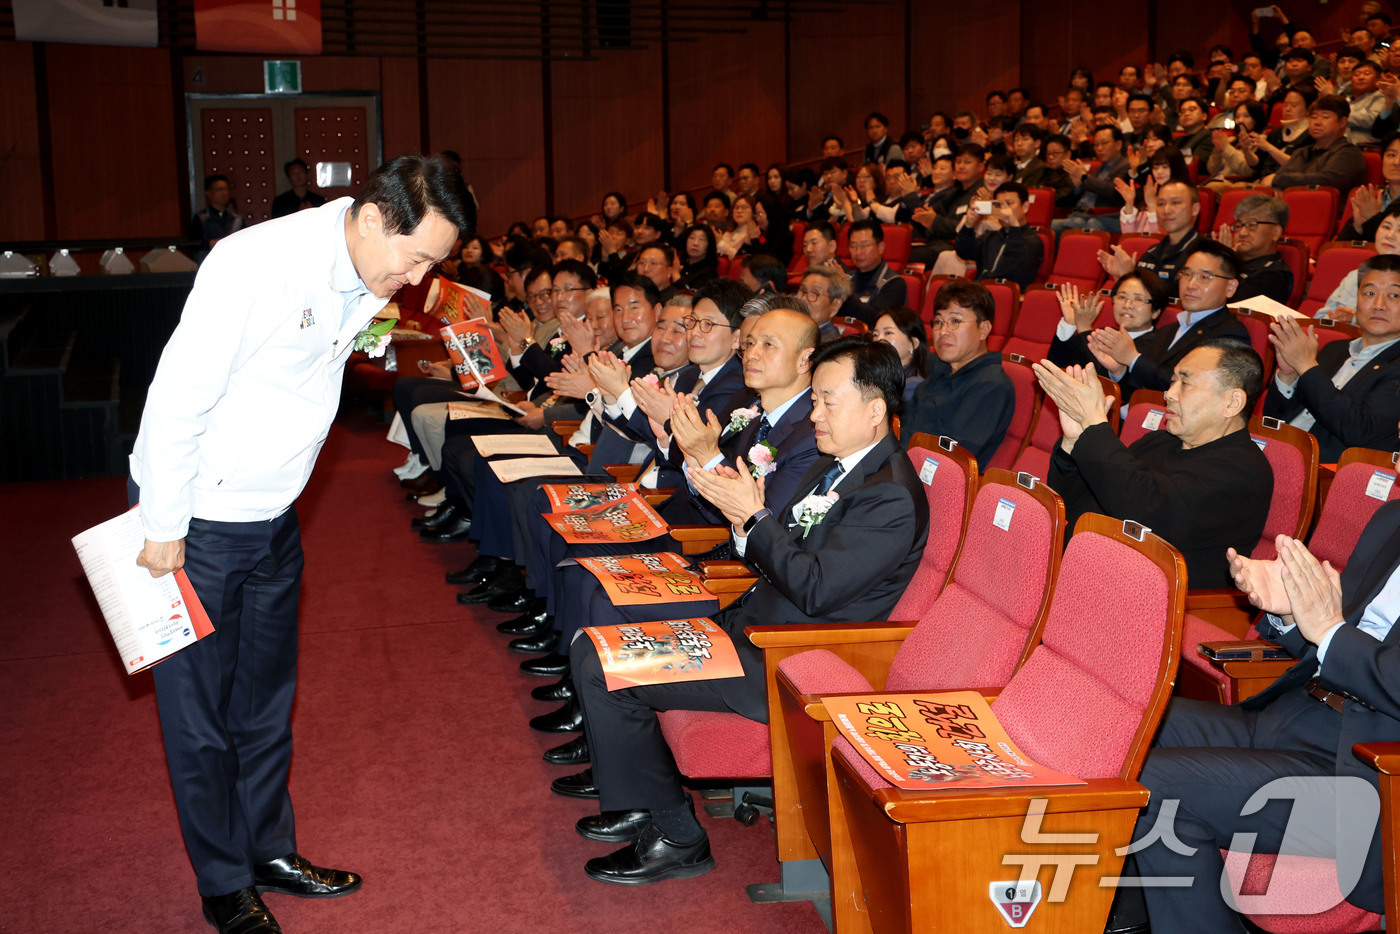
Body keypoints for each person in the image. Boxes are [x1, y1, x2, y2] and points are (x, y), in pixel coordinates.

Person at [130, 153, 472, 933]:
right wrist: (162, 527)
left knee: (263, 703)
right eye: (416, 258)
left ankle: (269, 850)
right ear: (373, 218)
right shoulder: (254, 264)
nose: (418, 279)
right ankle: (224, 884)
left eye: (432, 264)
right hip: (198, 522)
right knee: (199, 717)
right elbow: (178, 395)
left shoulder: (366, 268)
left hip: (277, 514)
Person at [559, 338, 929, 885]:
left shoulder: (889, 495)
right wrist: (744, 522)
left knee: (602, 666)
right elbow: (779, 552)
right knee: (600, 642)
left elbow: (817, 590)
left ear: (875, 410)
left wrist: (754, 521)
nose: (815, 415)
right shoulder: (836, 466)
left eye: (828, 402)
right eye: (814, 401)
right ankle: (642, 803)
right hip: (750, 627)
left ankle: (677, 835)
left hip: (786, 660)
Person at [1126, 500, 1400, 932]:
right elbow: (1338, 642)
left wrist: (1329, 629)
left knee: (1155, 786)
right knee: (1123, 725)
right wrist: (1291, 613)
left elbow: (1339, 638)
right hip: (1297, 713)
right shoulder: (1392, 519)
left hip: (1369, 771)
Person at [1035, 338, 1273, 588]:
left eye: (1185, 383)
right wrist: (1074, 440)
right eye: (1172, 382)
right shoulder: (1159, 441)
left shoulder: (1243, 470)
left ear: (1232, 403)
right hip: (1091, 570)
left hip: (1152, 599)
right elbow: (1075, 502)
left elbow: (1146, 515)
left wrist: (1094, 426)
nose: (1168, 394)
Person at [1265, 254, 1400, 461]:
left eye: (1394, 295)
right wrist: (1288, 375)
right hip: (1275, 451)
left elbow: (1359, 430)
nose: (1379, 304)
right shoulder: (1335, 349)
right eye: (1370, 293)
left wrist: (1306, 366)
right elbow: (1273, 417)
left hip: (1325, 470)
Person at [1094, 241, 1252, 402]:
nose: (1191, 285)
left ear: (1230, 287)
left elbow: (1194, 390)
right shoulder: (1167, 330)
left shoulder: (1230, 334)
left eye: (1205, 277)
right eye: (1187, 274)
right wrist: (1119, 371)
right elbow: (1142, 389)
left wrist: (1133, 359)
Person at [902, 279, 1015, 464]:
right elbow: (907, 425)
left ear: (983, 329)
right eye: (938, 321)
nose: (942, 331)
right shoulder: (941, 369)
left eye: (955, 321)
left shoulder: (991, 385)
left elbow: (948, 458)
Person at [1048, 270, 1169, 370]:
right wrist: (1069, 323)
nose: (1127, 305)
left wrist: (1084, 328)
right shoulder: (1103, 335)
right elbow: (1057, 367)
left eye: (1138, 299)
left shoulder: (1159, 345)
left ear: (1156, 311)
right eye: (1122, 297)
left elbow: (1103, 380)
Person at [947, 180, 1043, 289]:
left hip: (1006, 293)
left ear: (1025, 207)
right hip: (980, 291)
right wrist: (968, 226)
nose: (1004, 209)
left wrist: (1014, 227)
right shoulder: (990, 237)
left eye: (1009, 203)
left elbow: (1013, 270)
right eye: (999, 205)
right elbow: (964, 252)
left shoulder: (1033, 241)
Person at [1264, 95, 1368, 191]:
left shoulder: (1349, 153)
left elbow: (1326, 180)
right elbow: (1282, 175)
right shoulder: (1303, 151)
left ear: (1342, 122)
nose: (1317, 122)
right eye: (1314, 117)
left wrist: (1279, 180)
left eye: (1325, 117)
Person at [1215, 193, 1294, 304]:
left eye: (1252, 225)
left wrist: (1223, 264)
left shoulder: (1271, 277)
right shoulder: (1236, 263)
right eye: (1239, 226)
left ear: (1276, 232)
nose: (1242, 233)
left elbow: (1225, 307)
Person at [838, 219, 907, 325]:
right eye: (853, 246)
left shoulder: (894, 283)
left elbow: (874, 319)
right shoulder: (848, 277)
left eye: (864, 246)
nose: (858, 252)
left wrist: (846, 289)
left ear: (880, 248)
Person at [872, 306, 930, 402]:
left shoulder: (914, 387)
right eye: (875, 335)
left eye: (888, 333)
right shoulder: (873, 376)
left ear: (913, 343)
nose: (879, 339)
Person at [190, 174, 245, 261]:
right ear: (208, 193)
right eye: (219, 190)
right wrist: (209, 243)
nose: (224, 193)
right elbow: (193, 244)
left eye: (226, 189)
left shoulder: (237, 219)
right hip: (209, 260)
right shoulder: (201, 218)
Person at [795, 266, 852, 343]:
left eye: (814, 293)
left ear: (835, 306)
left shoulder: (828, 346)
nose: (803, 299)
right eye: (803, 290)